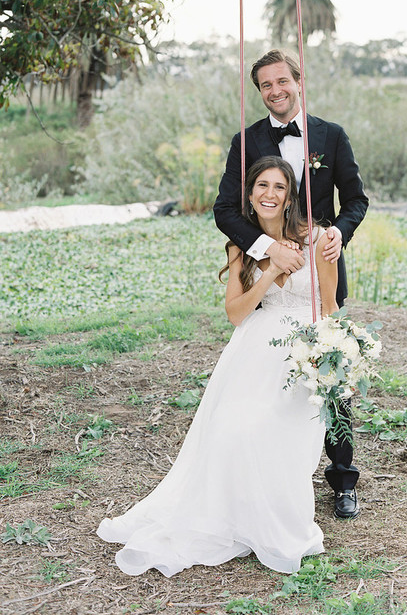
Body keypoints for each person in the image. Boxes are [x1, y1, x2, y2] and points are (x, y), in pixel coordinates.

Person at [97, 157, 338, 575]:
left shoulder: (318, 239)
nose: (269, 194)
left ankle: (282, 526)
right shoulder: (240, 247)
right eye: (261, 185)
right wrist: (268, 271)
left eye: (279, 187)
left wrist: (334, 357)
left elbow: (330, 306)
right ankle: (239, 519)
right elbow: (236, 313)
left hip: (302, 353)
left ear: (289, 197)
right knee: (234, 430)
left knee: (283, 439)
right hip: (252, 352)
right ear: (249, 194)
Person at [213, 49, 368, 519]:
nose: (275, 91)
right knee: (270, 375)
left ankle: (342, 479)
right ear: (258, 91)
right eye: (265, 85)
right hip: (270, 273)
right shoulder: (247, 141)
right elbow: (224, 209)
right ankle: (275, 471)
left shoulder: (330, 136)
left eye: (282, 81)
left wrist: (338, 232)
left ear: (298, 80)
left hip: (320, 259)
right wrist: (265, 251)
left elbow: (356, 200)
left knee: (330, 371)